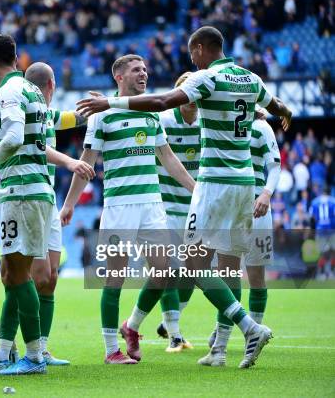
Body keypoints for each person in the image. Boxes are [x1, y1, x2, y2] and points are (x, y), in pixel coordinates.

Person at [77, 26, 293, 368]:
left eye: (192, 53)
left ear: (200, 48)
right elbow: (276, 105)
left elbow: (164, 100)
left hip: (215, 183)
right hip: (244, 185)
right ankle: (220, 350)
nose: (192, 60)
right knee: (228, 267)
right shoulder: (251, 78)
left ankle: (249, 327)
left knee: (193, 266)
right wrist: (285, 113)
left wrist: (110, 101)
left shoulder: (206, 78)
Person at [0, 34, 94, 375]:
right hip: (33, 191)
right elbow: (37, 131)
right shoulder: (30, 91)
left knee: (20, 275)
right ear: (16, 57)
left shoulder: (10, 91)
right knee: (12, 273)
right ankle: (6, 352)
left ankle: (33, 355)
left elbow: (15, 137)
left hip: (22, 191)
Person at [61, 54, 195, 365]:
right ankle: (111, 350)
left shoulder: (151, 114)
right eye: (136, 70)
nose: (143, 74)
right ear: (119, 77)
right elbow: (87, 162)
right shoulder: (101, 116)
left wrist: (196, 190)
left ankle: (130, 327)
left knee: (163, 273)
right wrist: (68, 205)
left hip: (152, 204)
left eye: (145, 69)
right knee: (114, 279)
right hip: (119, 205)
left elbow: (169, 158)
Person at [0, 61, 89, 366]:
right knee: (27, 275)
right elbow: (35, 146)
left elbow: (72, 118)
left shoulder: (47, 114)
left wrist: (102, 106)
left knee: (49, 278)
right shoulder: (24, 110)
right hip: (25, 196)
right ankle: (11, 342)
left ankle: (39, 348)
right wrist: (70, 161)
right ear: (51, 86)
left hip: (44, 199)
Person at [204, 115, 281, 362]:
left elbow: (275, 165)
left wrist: (267, 194)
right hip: (231, 208)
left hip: (258, 210)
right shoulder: (225, 125)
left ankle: (252, 339)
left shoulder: (261, 127)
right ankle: (220, 347)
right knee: (228, 275)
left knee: (256, 276)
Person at [153, 72, 200, 352]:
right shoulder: (165, 121)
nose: (192, 100)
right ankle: (174, 335)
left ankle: (138, 323)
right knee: (169, 270)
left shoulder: (207, 123)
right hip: (166, 204)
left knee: (193, 274)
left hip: (195, 209)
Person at [310, 186, 335, 270]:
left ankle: (321, 271)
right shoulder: (333, 200)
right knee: (333, 250)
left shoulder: (315, 201)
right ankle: (331, 269)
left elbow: (312, 216)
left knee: (322, 251)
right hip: (331, 229)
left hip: (320, 229)